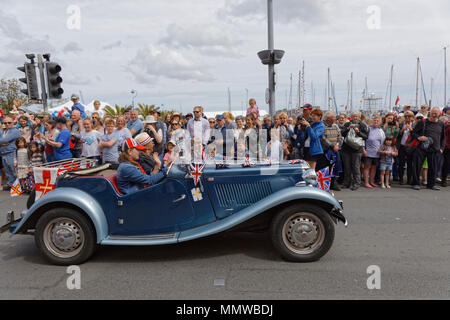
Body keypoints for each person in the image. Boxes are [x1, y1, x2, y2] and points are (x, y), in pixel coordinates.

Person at [410, 107, 446, 190]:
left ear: (439, 114)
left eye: (436, 113)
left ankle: (431, 184)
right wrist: (419, 137)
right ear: (430, 113)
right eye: (433, 113)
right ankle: (416, 183)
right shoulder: (423, 122)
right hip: (422, 148)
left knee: (433, 168)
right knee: (417, 166)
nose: (434, 114)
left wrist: (442, 148)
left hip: (434, 149)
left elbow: (443, 137)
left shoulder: (441, 123)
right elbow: (413, 133)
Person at [341, 111, 369, 190]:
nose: (355, 118)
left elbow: (366, 137)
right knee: (347, 168)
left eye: (357, 116)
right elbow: (342, 134)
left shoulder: (362, 125)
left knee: (356, 167)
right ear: (351, 117)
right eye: (354, 116)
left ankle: (356, 183)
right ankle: (347, 183)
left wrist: (358, 132)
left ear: (359, 117)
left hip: (357, 150)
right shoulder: (347, 124)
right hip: (346, 149)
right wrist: (348, 128)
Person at [363, 116, 385, 188]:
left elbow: (382, 142)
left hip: (377, 153)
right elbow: (363, 140)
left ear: (380, 122)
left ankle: (371, 181)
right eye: (374, 120)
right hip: (368, 152)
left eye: (377, 121)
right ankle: (366, 182)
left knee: (374, 168)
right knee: (367, 167)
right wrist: (363, 149)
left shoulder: (381, 131)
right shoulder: (367, 129)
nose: (376, 122)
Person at [0, 116, 21, 190]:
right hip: (4, 153)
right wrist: (2, 142)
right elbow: (3, 141)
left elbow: (5, 140)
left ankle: (17, 187)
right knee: (7, 171)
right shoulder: (4, 131)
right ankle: (12, 186)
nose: (7, 124)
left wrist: (2, 142)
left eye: (9, 122)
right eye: (5, 123)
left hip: (11, 153)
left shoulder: (15, 130)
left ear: (13, 122)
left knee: (13, 170)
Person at [397, 110, 415, 184]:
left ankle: (409, 179)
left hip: (410, 147)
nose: (407, 117)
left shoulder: (414, 125)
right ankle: (401, 179)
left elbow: (416, 136)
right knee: (401, 163)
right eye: (406, 116)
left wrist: (411, 130)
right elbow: (397, 135)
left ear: (412, 117)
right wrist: (402, 130)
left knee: (410, 164)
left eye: (409, 116)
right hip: (402, 146)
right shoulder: (401, 124)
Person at [440, 116, 449, 187]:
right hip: (446, 147)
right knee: (446, 164)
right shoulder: (446, 127)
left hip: (446, 147)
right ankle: (443, 180)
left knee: (446, 164)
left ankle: (444, 179)